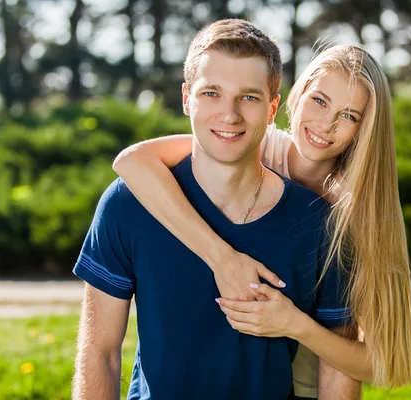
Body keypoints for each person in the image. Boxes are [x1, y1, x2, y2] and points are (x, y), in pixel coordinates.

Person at [112, 44, 411, 398]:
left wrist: (295, 324)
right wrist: (222, 259)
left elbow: (382, 364)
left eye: (349, 116)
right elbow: (132, 161)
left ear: (364, 129)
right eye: (319, 101)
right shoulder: (251, 144)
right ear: (294, 96)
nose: (326, 124)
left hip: (304, 380)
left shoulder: (352, 213)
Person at [72, 19, 356, 400]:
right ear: (187, 97)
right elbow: (99, 351)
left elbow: (339, 368)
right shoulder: (128, 204)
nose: (230, 114)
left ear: (273, 108)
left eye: (249, 97)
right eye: (212, 93)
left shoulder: (318, 223)